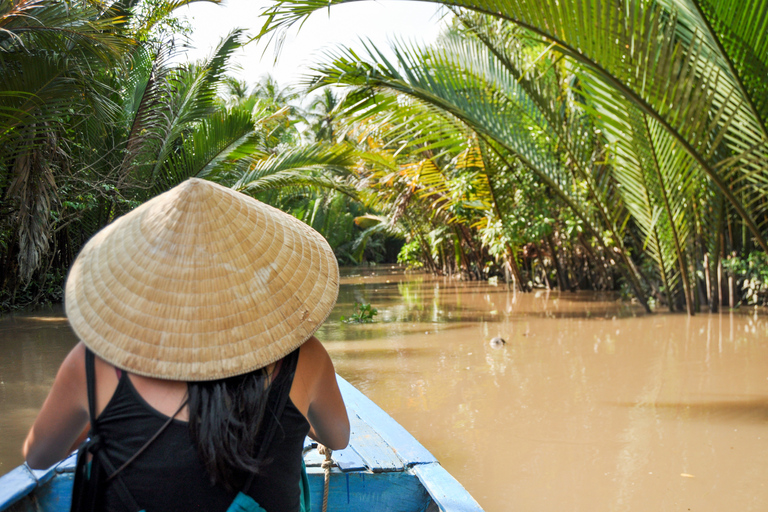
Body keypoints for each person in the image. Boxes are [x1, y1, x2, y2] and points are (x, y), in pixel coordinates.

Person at [22, 178, 350, 512]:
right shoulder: (306, 357)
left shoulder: (94, 364)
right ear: (254, 277)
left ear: (150, 279)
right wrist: (297, 419)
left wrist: (99, 422)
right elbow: (338, 438)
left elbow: (39, 456)